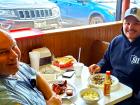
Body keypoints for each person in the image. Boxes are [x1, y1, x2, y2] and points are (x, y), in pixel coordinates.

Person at [89, 7, 140, 105]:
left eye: (136, 23)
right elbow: (106, 60)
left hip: (131, 97)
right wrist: (99, 66)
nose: (130, 27)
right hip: (111, 89)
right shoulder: (117, 41)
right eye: (127, 23)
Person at [0, 29, 62, 105]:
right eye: (2, 52)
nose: (15, 55)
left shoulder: (15, 66)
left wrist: (52, 97)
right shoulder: (4, 97)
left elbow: (37, 76)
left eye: (13, 46)